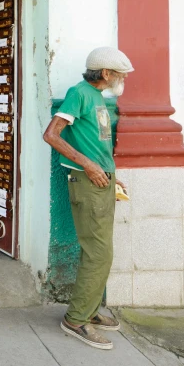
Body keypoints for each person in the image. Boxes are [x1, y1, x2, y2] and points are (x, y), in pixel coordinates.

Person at [42, 46, 134, 350]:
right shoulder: (79, 93)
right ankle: (76, 319)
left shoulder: (97, 97)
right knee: (99, 253)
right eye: (119, 73)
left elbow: (97, 143)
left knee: (99, 252)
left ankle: (90, 311)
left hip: (101, 180)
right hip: (86, 181)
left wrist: (108, 171)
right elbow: (51, 135)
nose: (122, 79)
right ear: (105, 73)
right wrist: (90, 166)